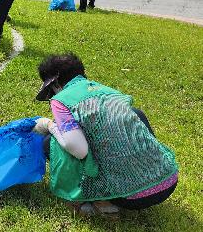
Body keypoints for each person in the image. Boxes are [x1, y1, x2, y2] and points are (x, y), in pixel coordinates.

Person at [33, 53, 178, 215]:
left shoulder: (61, 100)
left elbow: (79, 150)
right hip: (168, 182)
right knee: (136, 113)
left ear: (56, 84)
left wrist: (50, 126)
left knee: (49, 143)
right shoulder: (107, 91)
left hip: (128, 197)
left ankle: (90, 199)